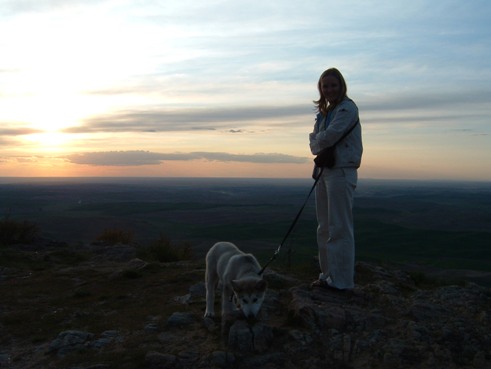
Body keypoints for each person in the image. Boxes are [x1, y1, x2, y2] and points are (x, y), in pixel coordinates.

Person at [309, 67, 363, 291]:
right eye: (325, 86)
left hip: (341, 170)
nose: (329, 89)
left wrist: (318, 139)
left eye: (333, 85)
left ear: (342, 86)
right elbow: (315, 145)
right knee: (324, 227)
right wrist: (319, 140)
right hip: (326, 171)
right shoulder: (325, 113)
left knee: (339, 227)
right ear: (321, 89)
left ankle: (342, 282)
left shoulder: (347, 109)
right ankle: (327, 274)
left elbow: (325, 138)